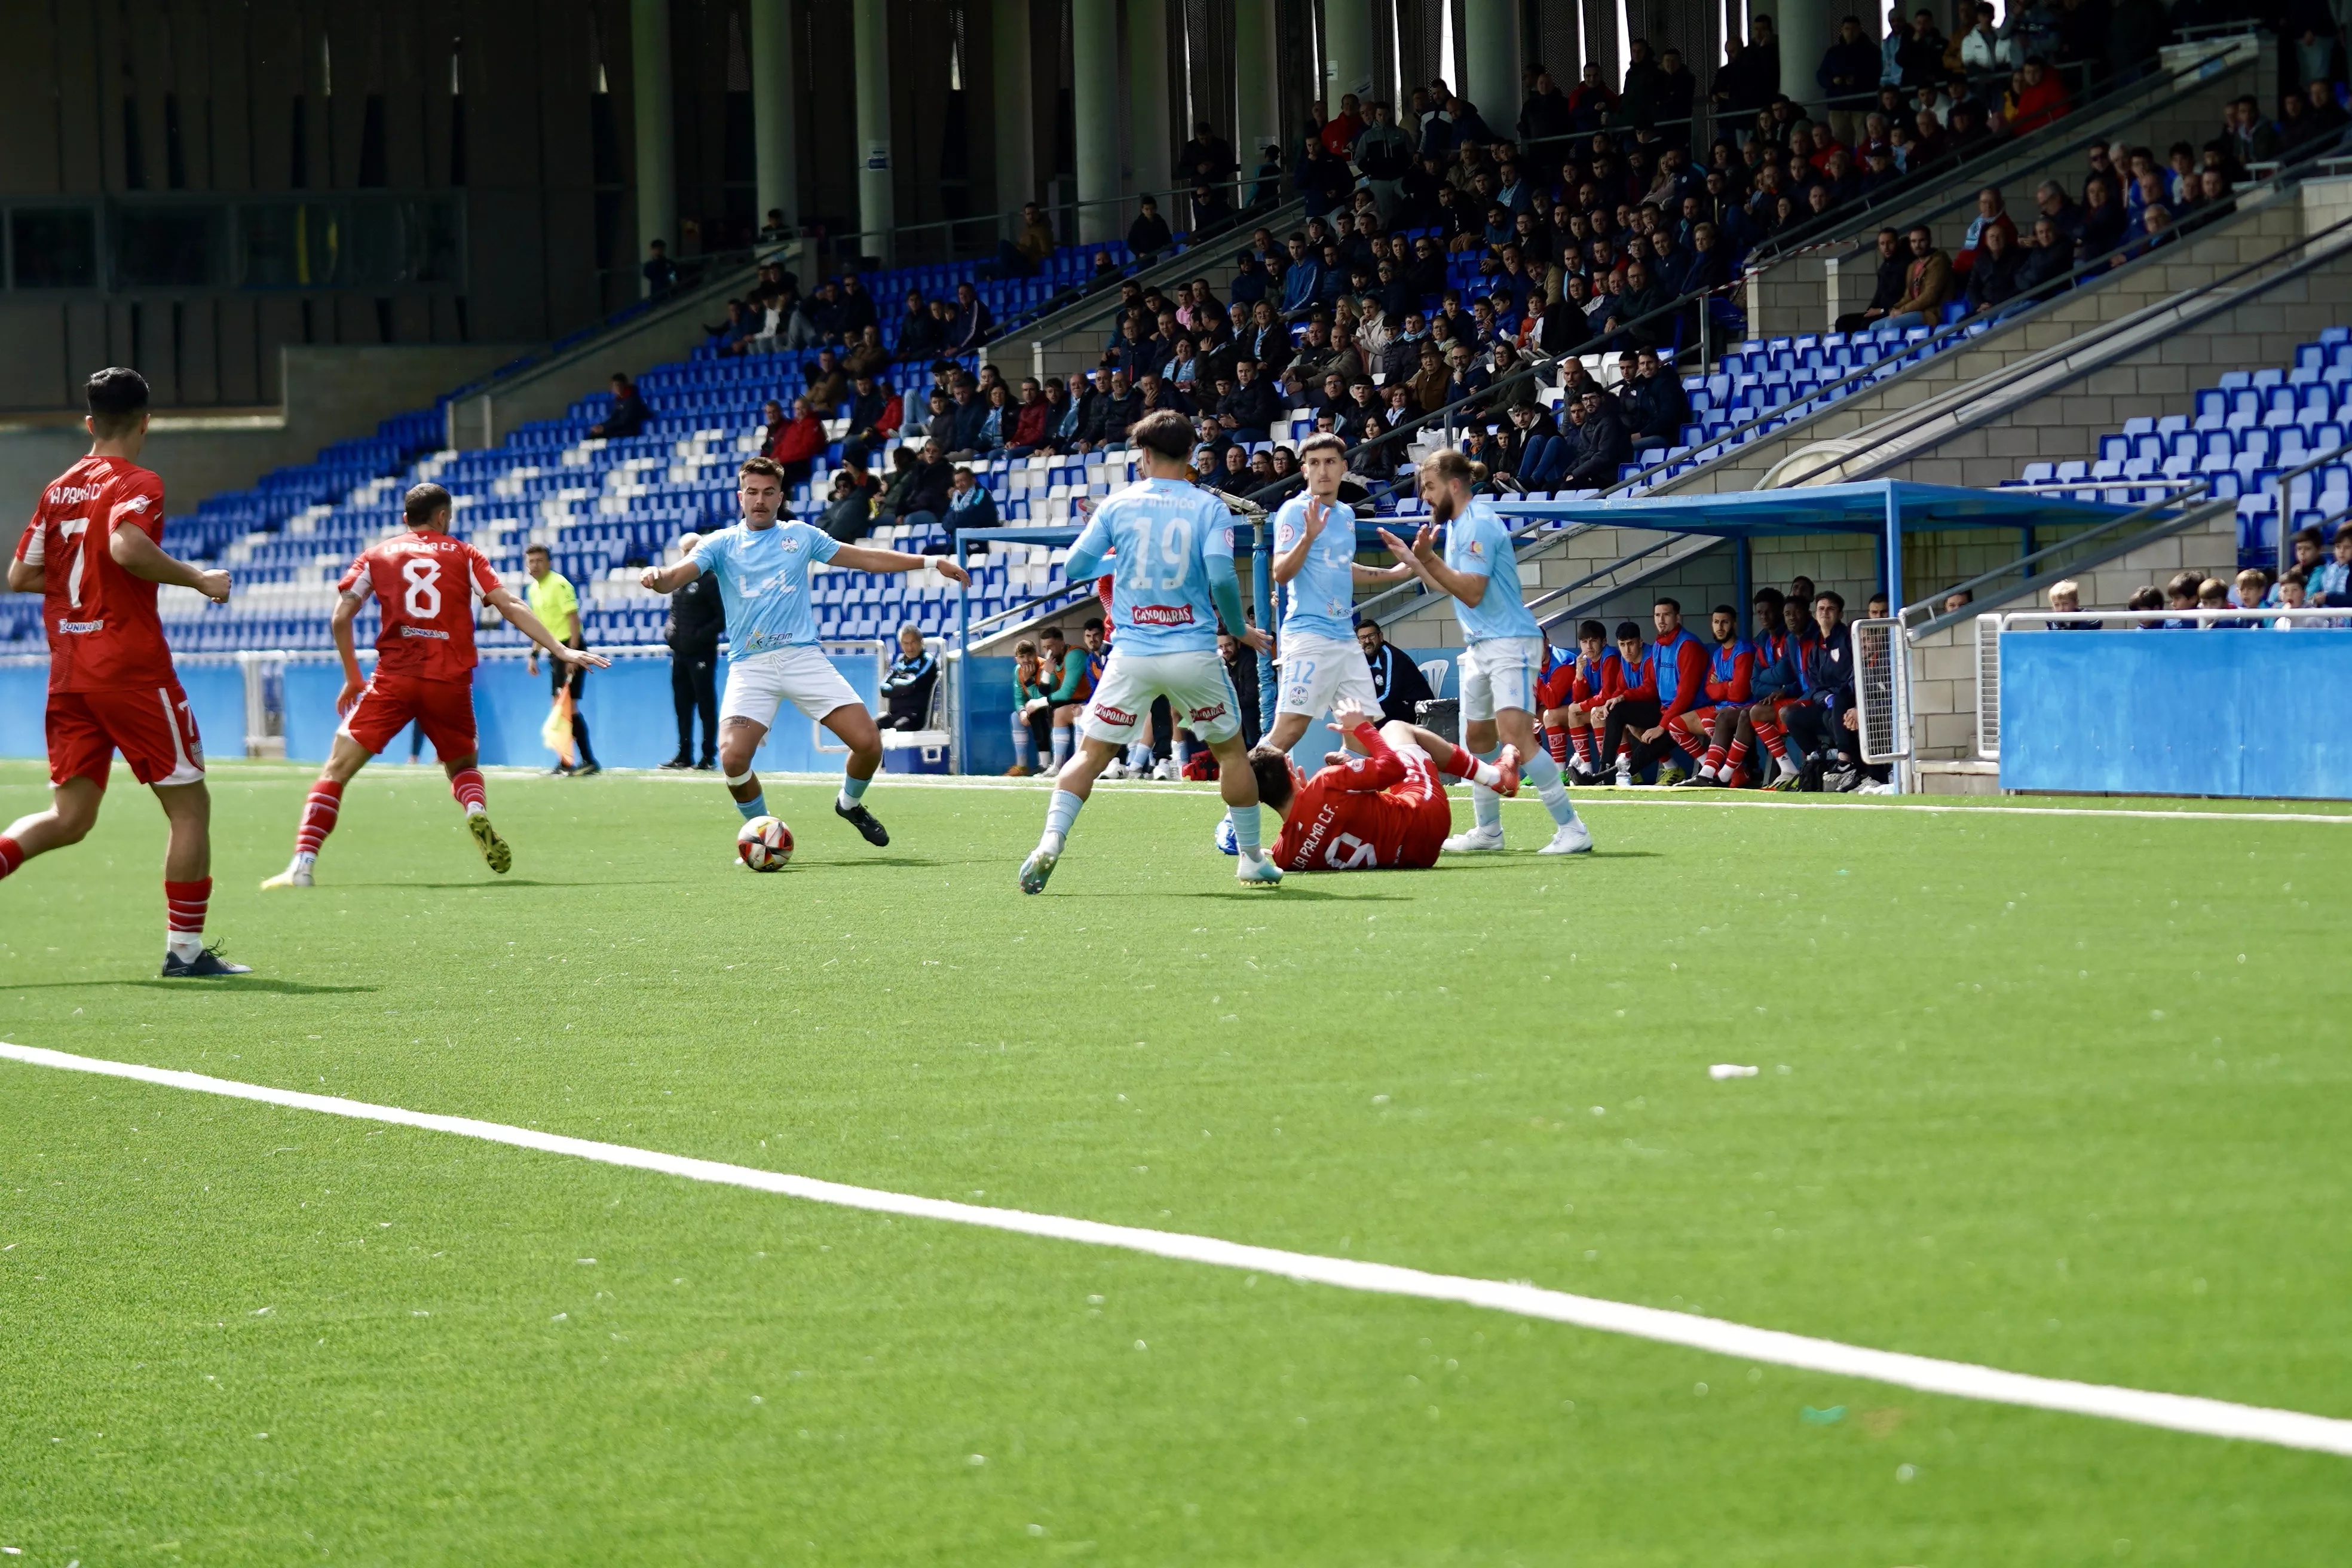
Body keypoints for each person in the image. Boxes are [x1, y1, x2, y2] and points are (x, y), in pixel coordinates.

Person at [2, 368, 247, 973]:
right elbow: (125, 546)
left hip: (70, 670)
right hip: (131, 669)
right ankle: (185, 952)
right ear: (145, 421)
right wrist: (199, 578)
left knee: (71, 817)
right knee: (189, 805)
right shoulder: (140, 480)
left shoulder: (58, 487)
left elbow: (21, 575)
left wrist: (79, 596)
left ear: (90, 423)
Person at [260, 482, 606, 892]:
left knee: (335, 770)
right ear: (443, 517)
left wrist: (353, 676)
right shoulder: (465, 555)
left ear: (406, 518)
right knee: (462, 767)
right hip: (450, 680)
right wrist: (561, 649)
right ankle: (474, 808)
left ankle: (302, 864)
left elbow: (341, 618)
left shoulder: (376, 555)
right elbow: (510, 604)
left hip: (394, 678)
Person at [638, 456, 971, 849]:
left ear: (780, 497)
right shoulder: (720, 544)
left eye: (768, 493)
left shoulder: (800, 536)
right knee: (731, 759)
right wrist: (658, 578)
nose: (759, 500)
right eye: (752, 492)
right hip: (751, 666)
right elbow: (676, 576)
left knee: (869, 744)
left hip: (802, 659)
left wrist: (931, 561)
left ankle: (849, 805)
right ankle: (762, 832)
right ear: (740, 496)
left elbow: (864, 558)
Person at [1017, 410, 1281, 892]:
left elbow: (1076, 564)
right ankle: (1250, 859)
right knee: (1232, 755)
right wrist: (1239, 629)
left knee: (1091, 756)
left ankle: (1051, 841)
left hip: (1132, 653)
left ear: (1144, 455)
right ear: (1192, 457)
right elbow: (1222, 577)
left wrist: (1120, 554)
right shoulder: (1210, 508)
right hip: (1192, 653)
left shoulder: (1119, 506)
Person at [1375, 448, 1592, 855]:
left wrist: (1427, 560)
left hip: (1510, 642)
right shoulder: (1457, 525)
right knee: (1476, 740)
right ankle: (1489, 832)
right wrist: (1417, 561)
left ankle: (1574, 829)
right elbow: (1448, 585)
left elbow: (1472, 593)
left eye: (1430, 487)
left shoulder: (1479, 524)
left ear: (1454, 485)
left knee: (1516, 738)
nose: (1424, 496)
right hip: (1480, 646)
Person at [1260, 434, 1418, 757]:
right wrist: (1308, 537)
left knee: (1360, 731)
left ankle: (1341, 800)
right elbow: (1281, 573)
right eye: (1314, 463)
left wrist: (1393, 574)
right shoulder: (1293, 511)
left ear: (1344, 467)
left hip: (1345, 638)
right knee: (1290, 728)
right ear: (1304, 470)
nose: (1323, 471)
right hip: (1308, 635)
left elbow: (1341, 567)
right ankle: (1239, 805)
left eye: (1330, 462)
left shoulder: (1346, 514)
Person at [1251, 695, 1522, 872]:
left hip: (1416, 858)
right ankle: (1496, 777)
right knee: (1396, 729)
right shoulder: (1324, 783)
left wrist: (1347, 773)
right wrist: (1362, 729)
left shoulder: (1285, 855)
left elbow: (1331, 819)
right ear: (1290, 772)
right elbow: (1393, 769)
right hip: (1426, 819)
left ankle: (1494, 778)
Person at [523, 543, 600, 777]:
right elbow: (539, 626)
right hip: (555, 651)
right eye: (531, 561)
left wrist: (573, 654)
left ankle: (587, 760)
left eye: (539, 560)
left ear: (549, 563)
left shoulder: (559, 584)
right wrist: (534, 654)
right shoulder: (533, 590)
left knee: (568, 705)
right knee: (559, 705)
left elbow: (573, 619)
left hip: (569, 647)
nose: (535, 565)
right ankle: (567, 761)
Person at [1671, 606, 1759, 785]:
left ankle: (1726, 773)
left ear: (1734, 624)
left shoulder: (1744, 651)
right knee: (1675, 726)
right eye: (1716, 622)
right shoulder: (1718, 653)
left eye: (1725, 622)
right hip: (1721, 706)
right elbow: (1708, 689)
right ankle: (1715, 770)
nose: (1720, 627)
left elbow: (1740, 693)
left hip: (1742, 707)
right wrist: (1727, 685)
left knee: (1710, 722)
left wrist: (1720, 685)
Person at [663, 531, 724, 770]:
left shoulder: (711, 580)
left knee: (705, 704)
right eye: (685, 551)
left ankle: (708, 756)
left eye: (693, 549)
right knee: (682, 705)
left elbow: (721, 619)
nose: (689, 555)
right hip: (679, 654)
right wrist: (670, 632)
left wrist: (698, 638)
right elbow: (674, 613)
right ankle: (684, 755)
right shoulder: (679, 579)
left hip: (702, 654)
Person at [1536, 619, 1618, 782]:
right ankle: (1584, 772)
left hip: (1616, 708)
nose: (1589, 646)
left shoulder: (1610, 657)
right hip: (1596, 707)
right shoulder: (1585, 660)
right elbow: (1578, 697)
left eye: (1593, 641)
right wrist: (1579, 674)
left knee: (1591, 712)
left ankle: (1605, 772)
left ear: (1604, 642)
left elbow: (1606, 695)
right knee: (1545, 715)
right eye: (1584, 642)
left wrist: (1580, 706)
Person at [1358, 620, 1435, 724]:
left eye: (1371, 636)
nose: (1367, 641)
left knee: (1370, 719)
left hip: (1416, 709)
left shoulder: (1390, 655)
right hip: (1396, 705)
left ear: (1380, 637)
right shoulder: (1364, 657)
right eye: (1363, 638)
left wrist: (1367, 709)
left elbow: (1389, 694)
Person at [880, 626, 939, 730]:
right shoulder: (900, 663)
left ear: (921, 642)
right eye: (906, 643)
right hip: (895, 714)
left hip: (914, 716)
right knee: (871, 726)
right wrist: (902, 685)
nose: (910, 648)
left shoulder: (927, 661)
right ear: (901, 645)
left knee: (900, 727)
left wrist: (894, 683)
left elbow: (911, 684)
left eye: (913, 642)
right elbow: (883, 689)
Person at [588, 373, 645, 439]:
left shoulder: (632, 400)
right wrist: (601, 426)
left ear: (624, 385)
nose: (615, 389)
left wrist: (604, 428)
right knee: (594, 434)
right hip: (620, 429)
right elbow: (614, 418)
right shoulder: (619, 400)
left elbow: (624, 421)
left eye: (617, 386)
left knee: (598, 435)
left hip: (629, 430)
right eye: (614, 386)